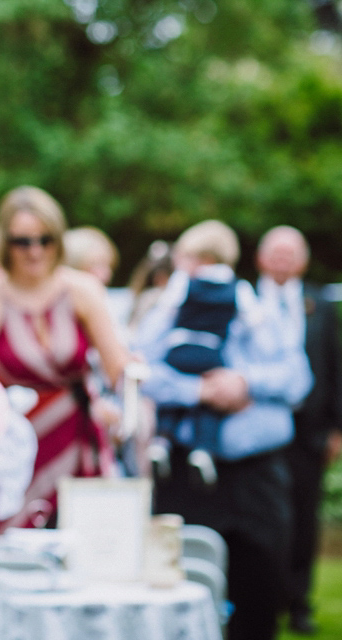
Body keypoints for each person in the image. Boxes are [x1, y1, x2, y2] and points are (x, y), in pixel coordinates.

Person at [134, 221, 313, 640]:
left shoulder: (259, 312)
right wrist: (197, 390)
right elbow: (139, 368)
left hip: (257, 478)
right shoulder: (168, 311)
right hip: (184, 477)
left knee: (260, 593)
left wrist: (244, 382)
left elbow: (298, 378)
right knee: (179, 592)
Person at [0, 186, 132, 544]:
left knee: (89, 545)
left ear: (58, 240)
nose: (35, 251)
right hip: (15, 446)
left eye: (44, 240)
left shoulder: (83, 291)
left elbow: (117, 368)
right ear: (6, 243)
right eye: (23, 241)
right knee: (9, 545)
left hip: (78, 437)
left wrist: (130, 388)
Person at [256, 225, 342, 635]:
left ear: (303, 260)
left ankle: (299, 602)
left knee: (304, 519)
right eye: (276, 253)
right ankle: (262, 599)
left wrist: (336, 428)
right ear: (260, 258)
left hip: (309, 433)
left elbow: (335, 366)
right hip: (255, 433)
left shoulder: (320, 304)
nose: (282, 260)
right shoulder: (246, 300)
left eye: (290, 253)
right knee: (262, 516)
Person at [152, 220, 246, 484]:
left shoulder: (184, 283)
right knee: (211, 400)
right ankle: (204, 449)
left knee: (173, 402)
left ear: (203, 258)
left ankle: (161, 439)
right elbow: (255, 319)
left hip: (180, 349)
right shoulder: (238, 287)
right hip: (212, 354)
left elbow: (166, 308)